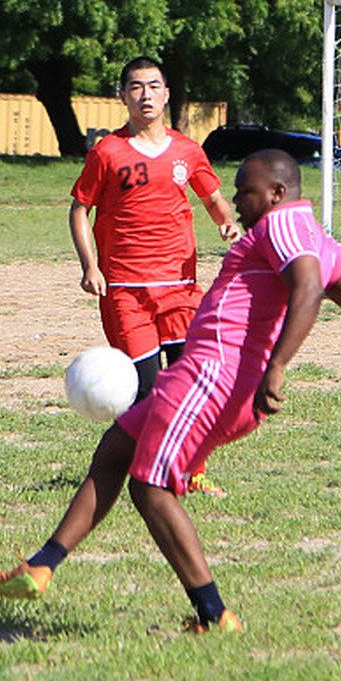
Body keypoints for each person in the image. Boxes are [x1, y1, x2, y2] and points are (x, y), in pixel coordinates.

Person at [0, 149, 341, 633]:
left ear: (275, 193)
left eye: (244, 192)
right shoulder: (315, 236)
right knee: (114, 450)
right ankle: (42, 566)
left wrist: (279, 367)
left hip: (212, 378)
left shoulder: (282, 225)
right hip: (199, 377)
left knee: (151, 487)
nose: (236, 201)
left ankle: (214, 614)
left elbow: (308, 287)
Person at [71, 57, 241, 495]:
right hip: (126, 290)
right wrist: (90, 266)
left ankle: (192, 472)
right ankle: (148, 472)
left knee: (191, 386)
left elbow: (214, 197)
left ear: (167, 94)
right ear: (122, 95)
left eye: (153, 86)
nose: (145, 95)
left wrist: (227, 222)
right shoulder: (107, 152)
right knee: (145, 392)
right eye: (135, 87)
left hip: (181, 290)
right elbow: (79, 209)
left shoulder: (187, 150)